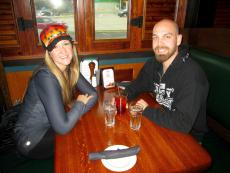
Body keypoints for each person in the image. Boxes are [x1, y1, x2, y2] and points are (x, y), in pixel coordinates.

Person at [14, 24, 98, 159]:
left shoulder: (69, 68)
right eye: (55, 47)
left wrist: (73, 115)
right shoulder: (45, 76)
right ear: (49, 53)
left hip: (50, 127)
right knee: (84, 139)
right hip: (31, 140)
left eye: (65, 44)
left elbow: (93, 94)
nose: (63, 51)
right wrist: (79, 105)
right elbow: (62, 128)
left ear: (72, 45)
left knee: (86, 131)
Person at [124, 19, 209, 142]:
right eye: (155, 37)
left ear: (178, 40)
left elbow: (182, 123)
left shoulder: (192, 75)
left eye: (167, 37)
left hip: (188, 138)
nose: (159, 44)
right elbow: (137, 85)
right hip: (162, 120)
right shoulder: (153, 64)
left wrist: (146, 110)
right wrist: (122, 97)